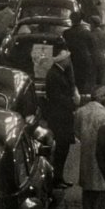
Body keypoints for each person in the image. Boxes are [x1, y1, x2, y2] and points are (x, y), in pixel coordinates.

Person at [75, 85, 105, 209]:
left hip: (86, 150)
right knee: (100, 181)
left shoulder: (81, 111)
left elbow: (76, 131)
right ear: (101, 97)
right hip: (101, 151)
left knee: (88, 181)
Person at [43, 50, 77, 189]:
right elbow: (57, 97)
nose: (70, 61)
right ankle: (57, 178)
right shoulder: (55, 75)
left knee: (63, 149)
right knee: (61, 149)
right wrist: (72, 102)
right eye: (68, 59)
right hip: (60, 118)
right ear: (63, 60)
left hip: (61, 116)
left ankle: (59, 177)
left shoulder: (58, 73)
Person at [62, 11, 96, 95]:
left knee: (72, 80)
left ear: (71, 20)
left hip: (71, 60)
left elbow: (64, 47)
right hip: (84, 60)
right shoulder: (87, 33)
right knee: (83, 82)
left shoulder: (66, 33)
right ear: (81, 20)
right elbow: (92, 47)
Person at [88, 14, 105, 91]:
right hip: (103, 57)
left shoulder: (90, 35)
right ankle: (104, 90)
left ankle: (95, 91)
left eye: (90, 23)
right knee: (103, 75)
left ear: (93, 24)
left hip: (93, 57)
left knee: (94, 76)